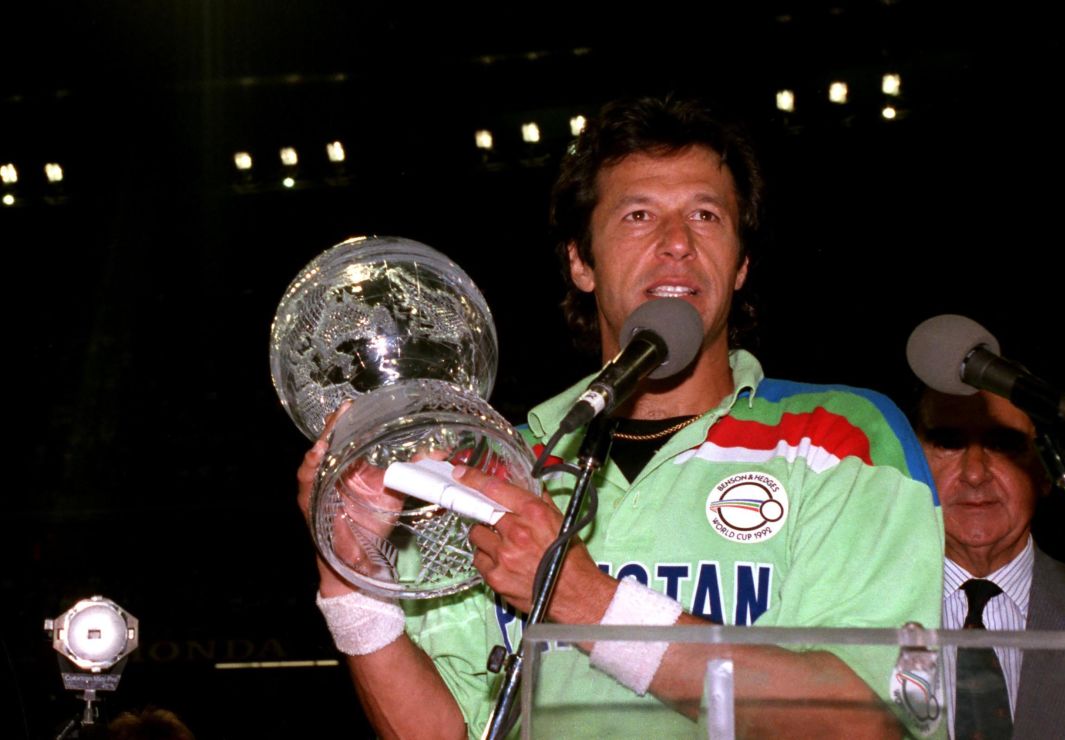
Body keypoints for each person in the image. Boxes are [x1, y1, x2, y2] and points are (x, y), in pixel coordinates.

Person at [299, 96, 944, 738]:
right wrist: (352, 582)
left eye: (706, 215)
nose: (677, 244)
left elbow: (863, 723)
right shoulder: (496, 464)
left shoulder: (842, 434)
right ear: (581, 262)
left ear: (741, 263)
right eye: (639, 215)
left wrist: (582, 600)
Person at [915, 388, 1065, 739]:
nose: (974, 473)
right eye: (949, 442)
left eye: (1002, 444)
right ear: (913, 462)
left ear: (1046, 471)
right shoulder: (849, 608)